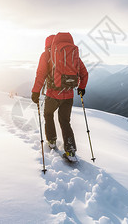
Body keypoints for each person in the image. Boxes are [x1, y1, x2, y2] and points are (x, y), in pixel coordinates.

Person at [31, 32, 88, 161]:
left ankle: (51, 140)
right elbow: (84, 73)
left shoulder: (46, 55)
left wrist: (35, 91)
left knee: (48, 115)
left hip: (52, 94)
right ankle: (71, 151)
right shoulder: (73, 55)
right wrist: (81, 88)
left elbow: (41, 74)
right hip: (68, 95)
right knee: (65, 122)